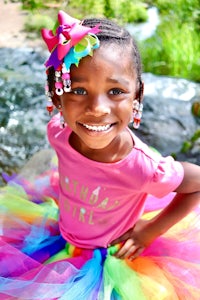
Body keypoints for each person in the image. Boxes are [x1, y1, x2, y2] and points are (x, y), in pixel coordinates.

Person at [0, 10, 200, 300]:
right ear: (57, 96)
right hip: (61, 236)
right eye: (79, 90)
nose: (97, 108)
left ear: (137, 96)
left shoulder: (143, 169)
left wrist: (150, 231)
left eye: (116, 90)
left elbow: (196, 184)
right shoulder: (58, 133)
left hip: (111, 261)